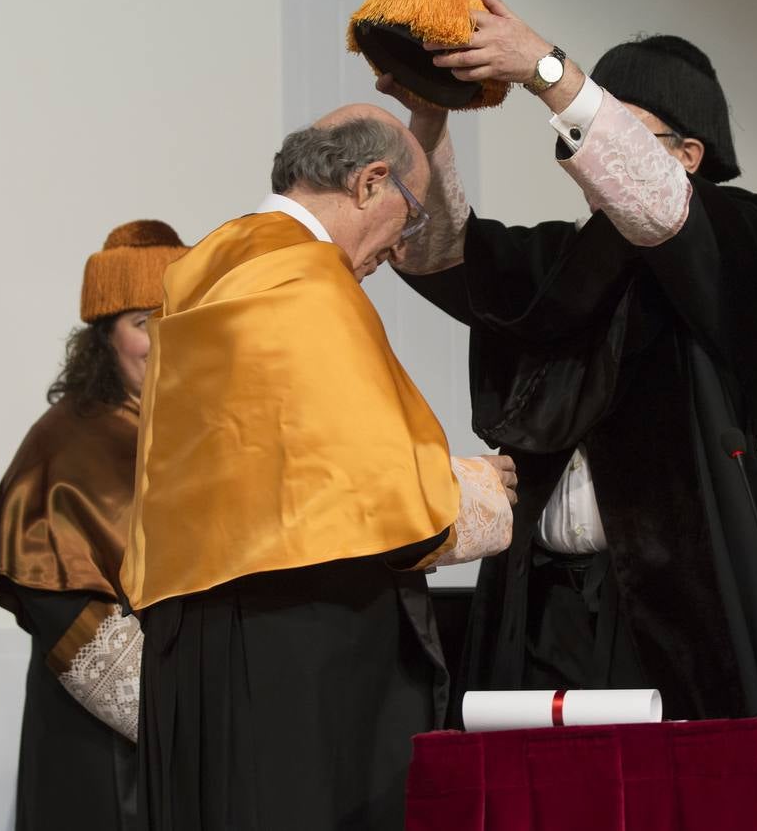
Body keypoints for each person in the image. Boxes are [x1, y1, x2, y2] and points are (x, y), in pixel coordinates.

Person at [387, 0, 757, 721]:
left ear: (687, 154)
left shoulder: (748, 235)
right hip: (540, 597)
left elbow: (658, 207)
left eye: (618, 129)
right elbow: (437, 255)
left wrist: (545, 71)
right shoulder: (565, 256)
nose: (583, 154)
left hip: (678, 598)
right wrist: (428, 120)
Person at [121, 104, 517, 830]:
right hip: (296, 634)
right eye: (412, 215)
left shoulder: (214, 257)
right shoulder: (307, 278)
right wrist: (475, 487)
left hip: (198, 624)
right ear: (370, 182)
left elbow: (276, 455)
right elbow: (380, 489)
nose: (400, 246)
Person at [0, 220, 189, 830]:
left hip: (193, 721)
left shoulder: (202, 436)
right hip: (103, 737)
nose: (162, 338)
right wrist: (179, 718)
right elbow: (53, 597)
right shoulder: (66, 440)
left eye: (176, 318)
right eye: (143, 323)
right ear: (105, 337)